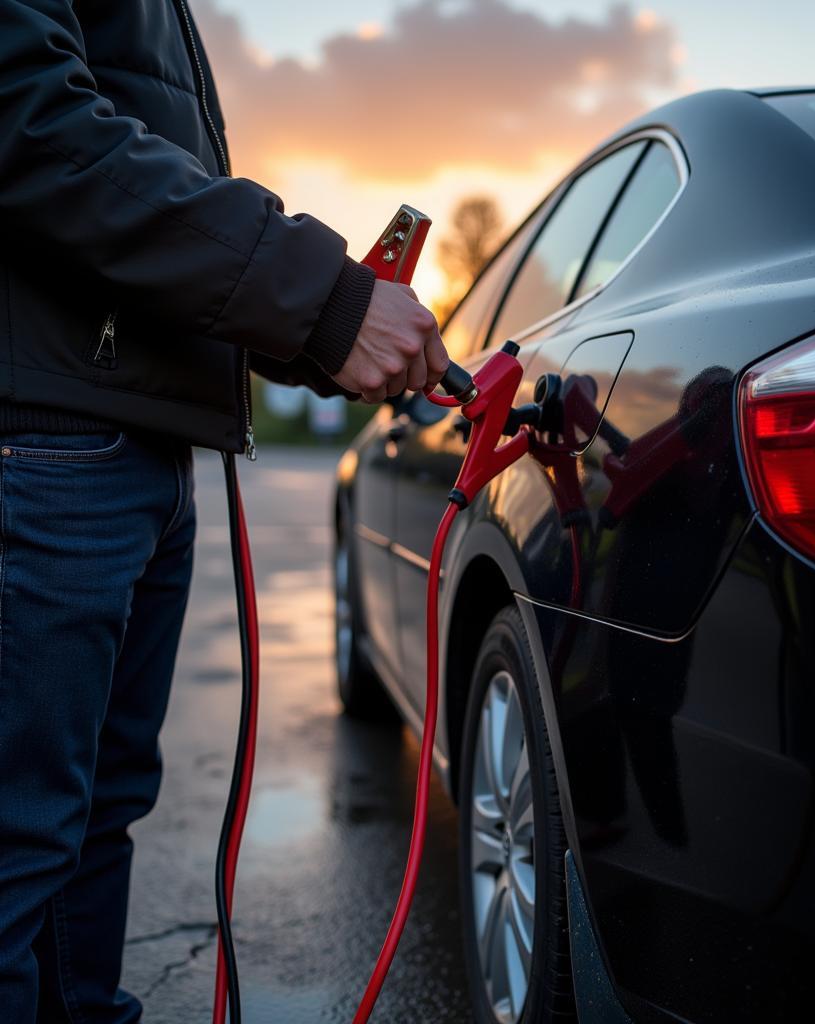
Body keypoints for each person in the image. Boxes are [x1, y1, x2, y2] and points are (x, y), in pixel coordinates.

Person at [0, 2, 450, 1020]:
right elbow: (32, 123)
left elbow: (139, 223)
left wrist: (315, 337)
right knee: (24, 842)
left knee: (89, 825)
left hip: (118, 433)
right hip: (48, 445)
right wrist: (325, 303)